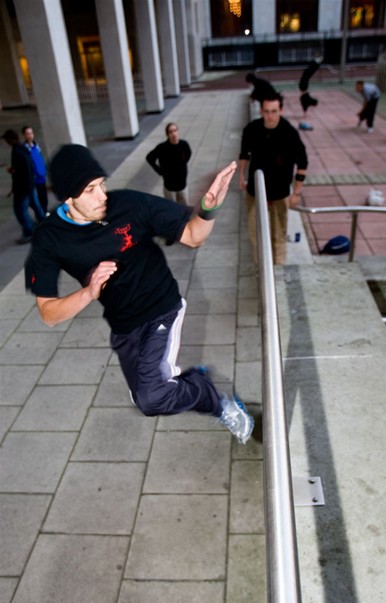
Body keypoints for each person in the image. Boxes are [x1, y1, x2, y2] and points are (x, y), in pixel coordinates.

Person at [25, 144, 253, 444]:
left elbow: (193, 236)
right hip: (123, 325)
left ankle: (216, 401)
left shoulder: (129, 206)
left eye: (102, 185)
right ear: (68, 196)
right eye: (91, 190)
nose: (103, 196)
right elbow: (49, 313)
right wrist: (89, 292)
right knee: (144, 394)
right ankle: (188, 379)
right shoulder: (50, 238)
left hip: (162, 308)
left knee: (151, 398)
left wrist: (209, 208)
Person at [239, 93, 308, 265]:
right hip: (255, 192)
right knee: (256, 233)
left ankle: (278, 268)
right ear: (261, 111)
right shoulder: (252, 129)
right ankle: (261, 267)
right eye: (266, 111)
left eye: (274, 111)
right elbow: (244, 153)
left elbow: (303, 162)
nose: (270, 116)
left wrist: (297, 192)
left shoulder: (289, 133)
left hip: (280, 192)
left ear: (281, 110)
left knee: (278, 234)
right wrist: (241, 174)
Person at [1, 128, 46, 244]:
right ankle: (45, 226)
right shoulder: (22, 148)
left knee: (20, 210)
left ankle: (29, 231)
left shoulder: (17, 151)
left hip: (23, 188)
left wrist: (15, 172)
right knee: (36, 206)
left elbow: (24, 169)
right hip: (29, 185)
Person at [146, 123, 191, 205]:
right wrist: (160, 171)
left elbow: (188, 154)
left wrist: (182, 165)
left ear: (178, 132)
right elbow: (149, 158)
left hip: (182, 185)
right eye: (170, 132)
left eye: (175, 130)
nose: (174, 134)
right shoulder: (162, 148)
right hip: (169, 186)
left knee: (185, 209)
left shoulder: (184, 145)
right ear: (167, 135)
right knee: (170, 209)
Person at [22, 125, 50, 214]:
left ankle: (45, 210)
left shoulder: (36, 146)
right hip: (34, 177)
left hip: (41, 175)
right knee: (36, 197)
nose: (30, 135)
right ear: (24, 135)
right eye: (28, 134)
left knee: (43, 195)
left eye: (31, 133)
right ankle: (41, 212)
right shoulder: (25, 149)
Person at [298, 54, 323, 119]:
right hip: (303, 86)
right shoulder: (307, 100)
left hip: (303, 86)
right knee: (308, 73)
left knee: (308, 73)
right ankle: (316, 61)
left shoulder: (307, 100)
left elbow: (304, 105)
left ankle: (316, 61)